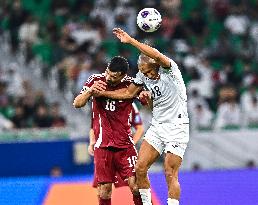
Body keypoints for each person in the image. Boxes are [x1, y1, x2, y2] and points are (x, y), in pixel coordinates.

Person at [93, 28, 190, 205]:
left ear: (156, 65)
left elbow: (156, 54)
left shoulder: (171, 70)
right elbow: (128, 94)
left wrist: (131, 41)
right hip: (157, 127)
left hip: (177, 127)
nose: (146, 75)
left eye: (148, 71)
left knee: (170, 172)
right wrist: (103, 93)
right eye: (142, 72)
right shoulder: (143, 76)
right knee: (140, 168)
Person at [73, 56, 143, 205]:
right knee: (104, 190)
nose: (109, 78)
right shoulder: (95, 80)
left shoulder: (131, 84)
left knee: (136, 186)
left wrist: (146, 96)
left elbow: (146, 100)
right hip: (102, 145)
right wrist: (90, 91)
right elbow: (77, 103)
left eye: (114, 77)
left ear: (123, 76)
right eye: (108, 73)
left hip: (125, 145)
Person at [89, 102, 144, 189]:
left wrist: (132, 143)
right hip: (103, 150)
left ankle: (146, 202)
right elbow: (93, 126)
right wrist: (92, 141)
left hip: (123, 150)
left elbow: (139, 128)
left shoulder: (129, 104)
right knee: (102, 187)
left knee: (136, 184)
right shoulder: (98, 102)